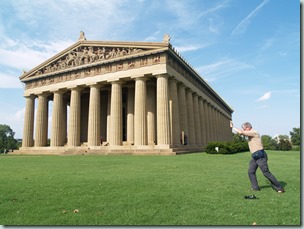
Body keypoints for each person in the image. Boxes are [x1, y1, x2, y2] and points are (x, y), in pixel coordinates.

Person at [230, 121, 285, 193]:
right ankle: (255, 187)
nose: (243, 130)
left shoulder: (254, 132)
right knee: (251, 171)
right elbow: (241, 133)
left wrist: (232, 127)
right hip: (255, 156)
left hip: (260, 155)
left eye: (244, 128)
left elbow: (240, 132)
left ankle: (279, 188)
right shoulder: (249, 134)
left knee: (266, 172)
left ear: (248, 127)